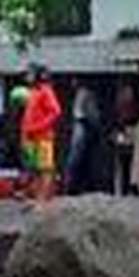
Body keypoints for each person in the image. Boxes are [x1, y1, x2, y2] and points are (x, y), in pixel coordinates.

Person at [21, 63, 62, 202]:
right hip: (32, 137)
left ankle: (43, 198)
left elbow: (56, 112)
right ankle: (37, 196)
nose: (27, 76)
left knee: (45, 168)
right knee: (35, 168)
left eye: (30, 74)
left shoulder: (45, 90)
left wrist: (39, 126)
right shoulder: (33, 91)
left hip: (43, 137)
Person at [65, 86, 109, 196]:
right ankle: (72, 185)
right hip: (82, 122)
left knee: (89, 155)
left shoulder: (89, 92)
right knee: (77, 154)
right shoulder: (84, 92)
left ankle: (83, 184)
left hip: (89, 124)